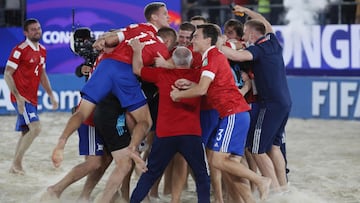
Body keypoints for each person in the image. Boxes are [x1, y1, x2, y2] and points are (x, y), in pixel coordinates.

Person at [51, 3, 175, 202]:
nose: (169, 17)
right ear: (154, 19)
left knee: (84, 117)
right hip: (124, 76)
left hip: (107, 70)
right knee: (144, 123)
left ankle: (61, 142)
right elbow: (151, 70)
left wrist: (102, 41)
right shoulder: (161, 47)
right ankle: (133, 150)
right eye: (166, 14)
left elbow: (113, 37)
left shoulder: (136, 28)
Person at [170, 23, 271, 202]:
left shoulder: (212, 56)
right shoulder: (211, 56)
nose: (192, 40)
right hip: (236, 113)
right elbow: (211, 88)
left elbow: (202, 90)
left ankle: (261, 180)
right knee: (230, 165)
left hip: (233, 113)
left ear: (208, 40)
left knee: (217, 161)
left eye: (196, 36)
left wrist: (178, 96)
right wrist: (190, 84)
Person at [220, 5, 292, 192]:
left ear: (253, 34)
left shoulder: (258, 49)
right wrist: (244, 10)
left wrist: (217, 44)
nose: (243, 36)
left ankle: (275, 190)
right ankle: (284, 188)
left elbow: (236, 55)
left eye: (245, 32)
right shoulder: (273, 41)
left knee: (256, 150)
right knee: (274, 147)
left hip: (269, 105)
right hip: (285, 102)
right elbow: (263, 21)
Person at [129, 40, 210, 203]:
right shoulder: (199, 76)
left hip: (166, 134)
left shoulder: (161, 74)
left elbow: (137, 69)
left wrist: (137, 50)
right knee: (201, 176)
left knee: (150, 173)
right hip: (190, 134)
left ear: (172, 60)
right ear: (190, 61)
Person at [41, 63, 115, 202]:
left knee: (106, 159)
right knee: (94, 162)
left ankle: (84, 195)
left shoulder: (115, 62)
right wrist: (62, 142)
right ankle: (55, 189)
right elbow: (79, 69)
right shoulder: (105, 59)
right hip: (91, 119)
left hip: (106, 119)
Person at [4, 18, 58, 175]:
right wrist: (18, 97)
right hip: (22, 98)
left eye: (39, 28)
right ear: (26, 33)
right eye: (33, 29)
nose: (37, 31)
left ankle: (14, 166)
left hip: (33, 98)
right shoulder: (19, 49)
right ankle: (16, 164)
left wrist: (51, 95)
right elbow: (8, 74)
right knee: (36, 128)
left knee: (27, 132)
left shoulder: (42, 50)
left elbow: (42, 74)